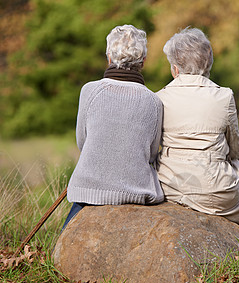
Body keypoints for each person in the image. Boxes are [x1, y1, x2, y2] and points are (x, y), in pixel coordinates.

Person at [156, 27, 239, 244]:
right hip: (214, 189)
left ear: (175, 68)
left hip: (170, 186)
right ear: (208, 64)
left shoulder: (159, 97)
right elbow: (235, 147)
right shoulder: (224, 96)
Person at [61, 24, 164, 230]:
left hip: (88, 191)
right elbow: (152, 154)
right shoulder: (154, 101)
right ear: (143, 61)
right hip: (137, 191)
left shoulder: (89, 91)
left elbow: (83, 141)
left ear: (108, 56)